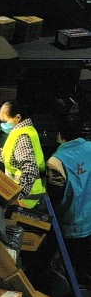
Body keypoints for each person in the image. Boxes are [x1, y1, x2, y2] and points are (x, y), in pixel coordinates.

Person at [0, 100, 46, 209]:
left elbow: (30, 169)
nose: (3, 125)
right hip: (16, 190)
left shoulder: (23, 136)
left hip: (27, 199)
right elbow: (10, 154)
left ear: (18, 117)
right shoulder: (23, 130)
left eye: (5, 121)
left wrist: (17, 196)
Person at [47, 115, 91, 281]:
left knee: (73, 272)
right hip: (89, 221)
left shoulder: (56, 161)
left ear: (59, 135)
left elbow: (55, 198)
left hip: (72, 226)